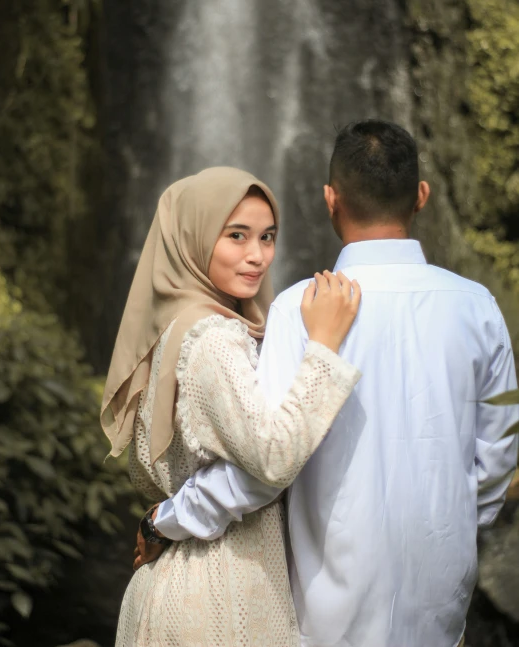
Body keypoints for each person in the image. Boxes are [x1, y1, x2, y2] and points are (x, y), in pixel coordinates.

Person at [147, 122, 519, 647]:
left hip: (325, 614)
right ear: (421, 196)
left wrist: (168, 519)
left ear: (329, 199)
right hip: (442, 605)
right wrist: (446, 523)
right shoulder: (478, 306)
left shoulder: (299, 309)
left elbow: (263, 471)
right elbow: (496, 460)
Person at [101, 166, 362, 647]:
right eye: (236, 236)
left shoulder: (176, 326)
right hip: (221, 596)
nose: (257, 256)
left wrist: (161, 521)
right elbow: (272, 459)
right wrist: (323, 348)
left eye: (267, 237)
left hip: (177, 583)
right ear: (194, 238)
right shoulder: (215, 339)